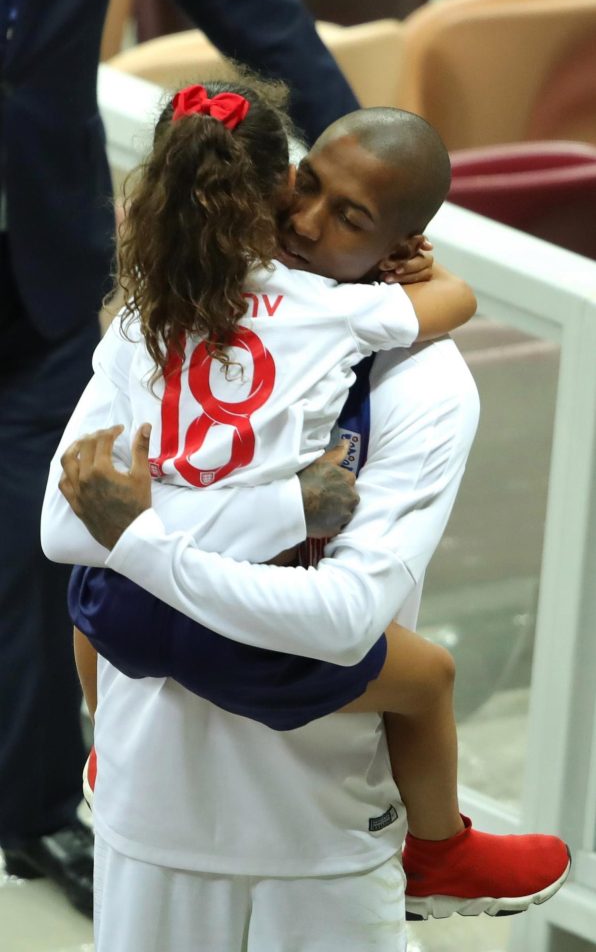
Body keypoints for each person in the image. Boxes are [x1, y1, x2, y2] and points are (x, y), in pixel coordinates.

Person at [43, 87, 569, 949]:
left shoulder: (420, 382)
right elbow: (66, 527)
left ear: (402, 243)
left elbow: (342, 617)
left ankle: (436, 852)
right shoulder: (168, 311)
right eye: (308, 185)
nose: (309, 221)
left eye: (352, 216)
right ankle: (441, 846)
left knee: (101, 605)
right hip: (152, 807)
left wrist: (139, 540)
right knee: (420, 676)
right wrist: (277, 508)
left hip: (320, 831)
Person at [0, 0, 360, 919]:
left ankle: (38, 804)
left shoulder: (133, 334)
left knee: (37, 550)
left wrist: (354, 174)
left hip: (44, 271)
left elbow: (258, 18)